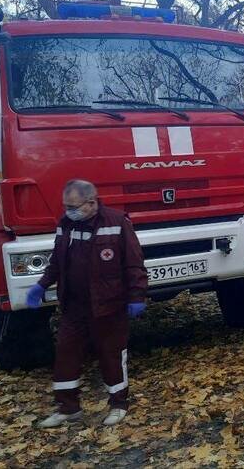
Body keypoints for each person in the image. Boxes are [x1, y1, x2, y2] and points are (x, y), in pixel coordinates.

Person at [26, 179, 147, 428]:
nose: (69, 211)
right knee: (66, 353)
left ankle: (118, 405)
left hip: (108, 304)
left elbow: (134, 263)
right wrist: (41, 285)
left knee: (111, 354)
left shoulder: (116, 223)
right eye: (66, 206)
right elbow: (57, 262)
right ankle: (68, 408)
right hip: (74, 305)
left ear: (91, 203)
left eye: (73, 206)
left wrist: (137, 297)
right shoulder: (66, 224)